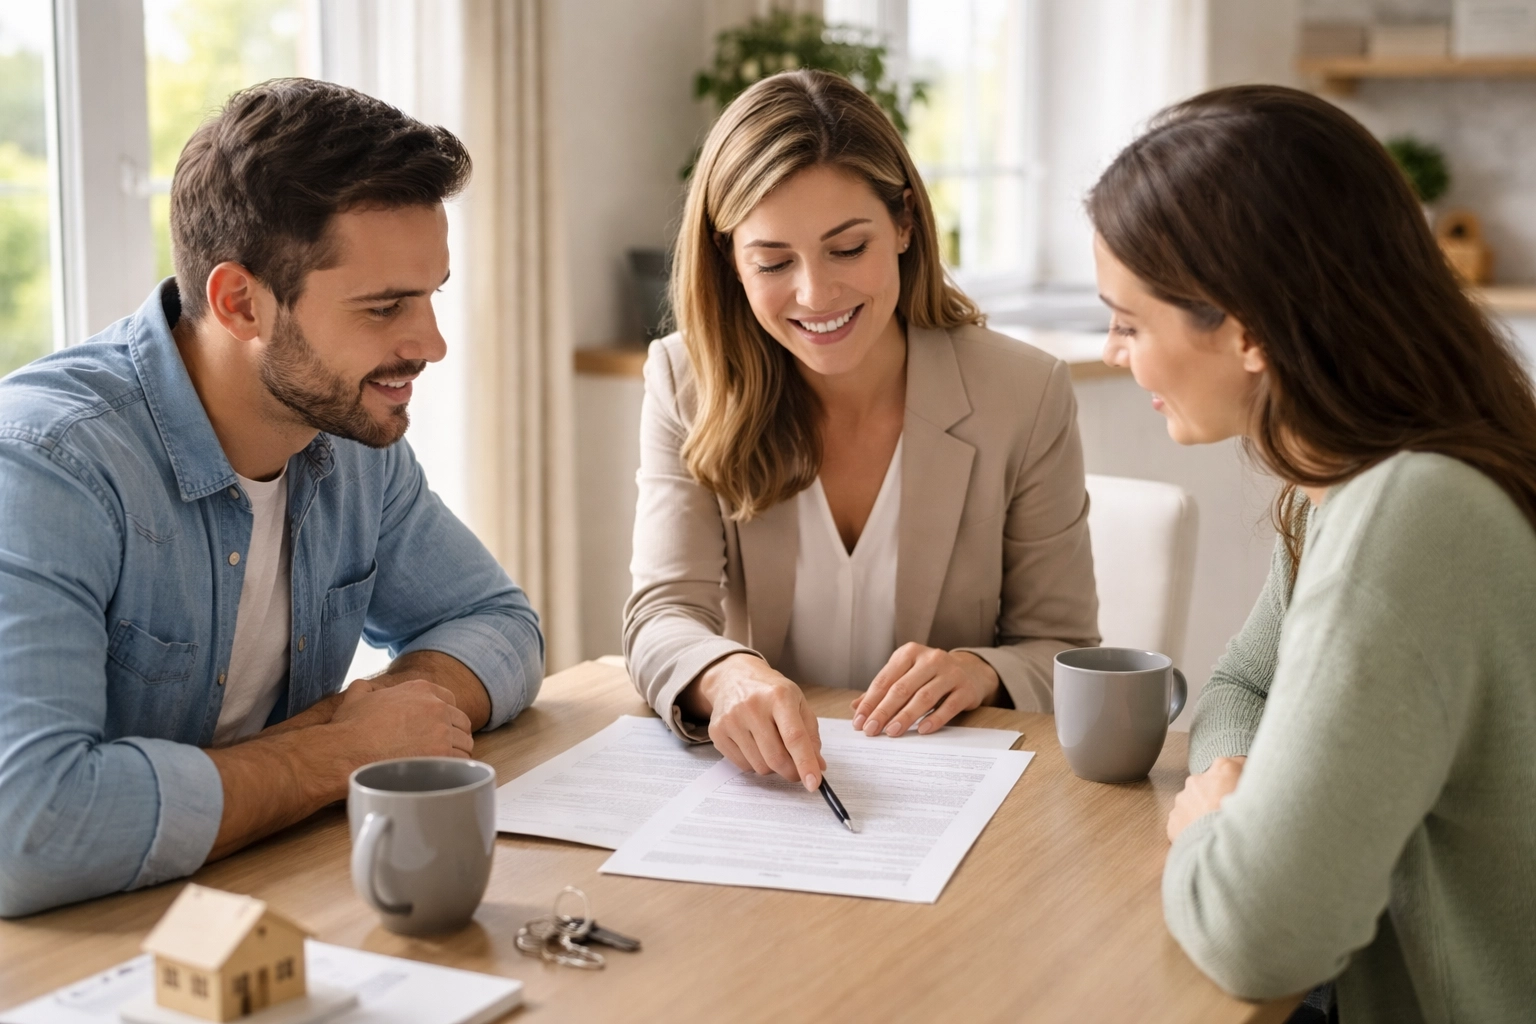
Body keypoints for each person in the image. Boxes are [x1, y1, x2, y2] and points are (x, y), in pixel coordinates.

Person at [0, 79, 544, 918]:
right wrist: (336, 755)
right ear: (239, 302)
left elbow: (500, 623)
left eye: (432, 293)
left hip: (245, 904)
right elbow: (30, 830)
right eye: (385, 306)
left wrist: (391, 713)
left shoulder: (345, 430)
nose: (430, 342)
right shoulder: (45, 467)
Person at [1089, 85, 1536, 1023]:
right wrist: (1252, 799)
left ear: (1246, 328)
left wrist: (1217, 826)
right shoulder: (1351, 477)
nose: (1116, 352)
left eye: (1130, 322)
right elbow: (1243, 687)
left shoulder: (1412, 513)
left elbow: (1261, 935)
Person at [624, 69, 1099, 790]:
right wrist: (724, 674)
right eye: (774, 261)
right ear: (730, 261)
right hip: (771, 792)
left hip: (954, 796)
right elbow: (662, 614)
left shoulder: (1025, 393)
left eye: (848, 249)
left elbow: (1064, 650)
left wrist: (981, 671)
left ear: (905, 223)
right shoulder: (684, 381)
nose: (816, 294)